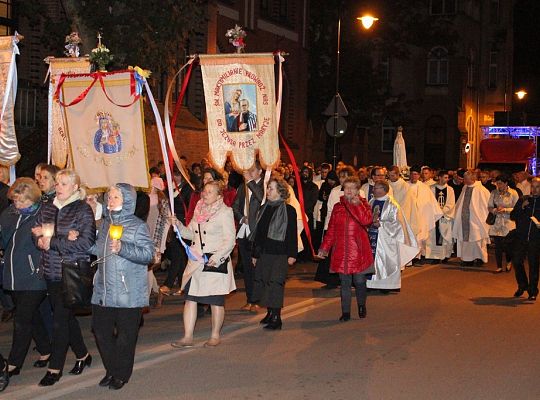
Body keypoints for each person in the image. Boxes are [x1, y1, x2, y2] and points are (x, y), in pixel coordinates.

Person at [33, 169, 95, 386]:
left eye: (64, 184)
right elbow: (40, 234)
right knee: (66, 317)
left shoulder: (82, 209)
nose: (58, 187)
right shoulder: (48, 208)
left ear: (75, 188)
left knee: (60, 320)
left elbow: (86, 243)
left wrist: (55, 242)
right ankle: (83, 355)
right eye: (57, 183)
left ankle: (54, 368)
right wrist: (39, 239)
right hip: (51, 270)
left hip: (70, 271)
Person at [90, 183, 154, 390]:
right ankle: (111, 369)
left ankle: (121, 374)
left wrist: (123, 248)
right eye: (109, 197)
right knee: (100, 332)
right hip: (103, 290)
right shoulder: (105, 224)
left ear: (127, 201)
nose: (110, 200)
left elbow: (148, 255)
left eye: (115, 197)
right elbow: (99, 250)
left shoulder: (137, 226)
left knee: (125, 337)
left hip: (128, 291)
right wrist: (78, 243)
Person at [171, 180, 236, 346]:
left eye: (209, 192)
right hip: (196, 261)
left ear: (219, 196)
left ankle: (215, 336)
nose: (204, 194)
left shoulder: (225, 212)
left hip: (214, 261)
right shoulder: (199, 210)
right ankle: (187, 337)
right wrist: (177, 224)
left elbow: (230, 240)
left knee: (215, 301)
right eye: (204, 191)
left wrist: (218, 257)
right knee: (190, 299)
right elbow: (191, 234)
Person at [0, 178, 51, 377]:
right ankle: (46, 350)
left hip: (35, 275)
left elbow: (46, 241)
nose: (17, 205)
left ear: (33, 198)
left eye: (22, 201)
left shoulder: (43, 214)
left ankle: (13, 363)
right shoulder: (8, 214)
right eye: (15, 200)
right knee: (33, 315)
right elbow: (4, 241)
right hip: (13, 275)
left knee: (21, 319)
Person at [318, 177, 373, 321]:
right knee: (345, 283)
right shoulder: (338, 207)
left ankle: (361, 305)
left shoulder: (364, 204)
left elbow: (367, 221)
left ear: (357, 190)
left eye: (352, 188)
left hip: (359, 251)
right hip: (342, 251)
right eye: (346, 187)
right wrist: (324, 248)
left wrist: (357, 205)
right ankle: (346, 312)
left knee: (360, 281)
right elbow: (331, 230)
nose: (348, 190)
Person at [251, 178, 297, 330]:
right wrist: (255, 254)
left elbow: (292, 234)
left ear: (280, 191)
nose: (268, 191)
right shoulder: (264, 208)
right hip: (265, 252)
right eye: (268, 188)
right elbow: (259, 233)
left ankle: (277, 318)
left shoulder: (289, 210)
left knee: (276, 284)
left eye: (271, 188)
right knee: (265, 282)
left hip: (280, 254)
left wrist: (292, 254)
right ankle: (270, 312)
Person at [367, 181, 419, 290]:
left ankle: (387, 285)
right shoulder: (371, 201)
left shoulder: (392, 204)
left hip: (386, 240)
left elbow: (397, 223)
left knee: (386, 261)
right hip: (372, 236)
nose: (373, 190)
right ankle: (371, 284)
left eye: (376, 188)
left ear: (384, 189)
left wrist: (380, 224)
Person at [232, 161, 264, 312]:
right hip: (243, 231)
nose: (249, 173)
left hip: (257, 232)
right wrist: (241, 217)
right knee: (247, 267)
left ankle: (258, 299)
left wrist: (250, 182)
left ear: (259, 172)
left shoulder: (263, 185)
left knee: (257, 267)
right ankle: (250, 299)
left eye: (252, 170)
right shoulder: (242, 187)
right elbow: (235, 206)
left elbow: (261, 198)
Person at [160, 168, 193, 296]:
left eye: (178, 175)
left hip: (182, 225)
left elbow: (189, 208)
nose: (176, 177)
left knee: (178, 255)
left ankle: (168, 284)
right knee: (178, 255)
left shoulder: (187, 189)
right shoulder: (168, 189)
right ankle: (183, 285)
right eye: (174, 175)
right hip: (170, 225)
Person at [452, 171, 491, 266]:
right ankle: (467, 259)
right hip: (464, 219)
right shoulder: (465, 187)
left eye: (466, 178)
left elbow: (486, 206)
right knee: (465, 240)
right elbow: (460, 203)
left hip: (476, 220)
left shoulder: (481, 190)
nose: (464, 180)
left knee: (477, 240)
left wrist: (482, 218)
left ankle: (479, 258)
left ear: (473, 179)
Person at [510, 177, 540, 300]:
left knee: (533, 265)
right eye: (532, 187)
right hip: (521, 237)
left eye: (537, 187)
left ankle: (533, 291)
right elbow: (513, 216)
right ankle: (522, 285)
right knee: (516, 261)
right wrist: (521, 206)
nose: (534, 189)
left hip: (535, 239)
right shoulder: (524, 199)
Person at [407, 166, 443, 265]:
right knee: (410, 237)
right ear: (410, 174)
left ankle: (417, 257)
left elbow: (429, 202)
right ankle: (410, 258)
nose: (414, 176)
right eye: (412, 174)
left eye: (416, 174)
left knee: (419, 238)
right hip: (409, 216)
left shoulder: (424, 188)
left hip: (420, 216)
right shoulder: (405, 186)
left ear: (419, 175)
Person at [488, 174, 519, 273]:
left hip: (508, 222)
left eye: (500, 183)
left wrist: (505, 209)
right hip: (497, 221)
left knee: (507, 245)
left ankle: (509, 261)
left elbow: (517, 208)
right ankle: (499, 266)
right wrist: (494, 210)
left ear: (506, 183)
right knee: (498, 245)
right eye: (497, 183)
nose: (498, 186)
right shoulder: (494, 192)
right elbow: (489, 206)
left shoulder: (513, 193)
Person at [425, 170, 456, 263]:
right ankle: (436, 256)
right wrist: (436, 212)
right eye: (445, 177)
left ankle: (446, 255)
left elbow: (451, 203)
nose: (446, 180)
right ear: (439, 177)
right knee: (433, 237)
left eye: (447, 178)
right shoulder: (431, 188)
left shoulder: (450, 189)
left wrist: (442, 211)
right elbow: (428, 202)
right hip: (434, 216)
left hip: (445, 216)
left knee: (446, 236)